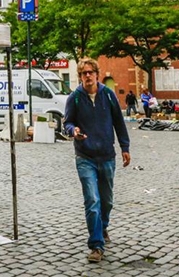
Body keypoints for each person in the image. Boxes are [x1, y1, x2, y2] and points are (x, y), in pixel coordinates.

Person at [63, 58, 131, 264]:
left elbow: (119, 122)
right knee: (92, 201)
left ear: (97, 74)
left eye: (91, 72)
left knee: (107, 200)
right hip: (85, 156)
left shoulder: (108, 95)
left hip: (107, 156)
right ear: (80, 76)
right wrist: (72, 130)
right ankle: (96, 245)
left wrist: (125, 147)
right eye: (84, 73)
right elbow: (67, 122)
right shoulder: (74, 98)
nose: (87, 76)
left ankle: (103, 225)